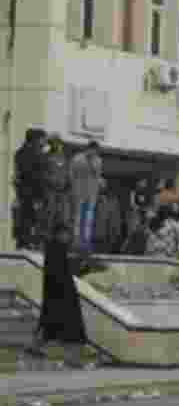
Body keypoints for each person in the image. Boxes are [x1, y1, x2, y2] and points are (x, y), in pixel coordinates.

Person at [31, 222, 88, 368]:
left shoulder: (54, 248)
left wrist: (82, 267)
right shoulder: (57, 249)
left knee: (50, 324)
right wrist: (83, 267)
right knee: (71, 329)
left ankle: (36, 347)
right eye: (66, 234)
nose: (67, 237)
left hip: (55, 294)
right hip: (62, 295)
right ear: (59, 234)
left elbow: (64, 271)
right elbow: (63, 272)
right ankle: (72, 359)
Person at [13, 129, 48, 250]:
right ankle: (26, 242)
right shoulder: (31, 153)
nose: (45, 141)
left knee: (29, 219)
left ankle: (26, 242)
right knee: (29, 218)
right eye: (43, 138)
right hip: (31, 192)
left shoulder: (22, 152)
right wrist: (39, 195)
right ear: (35, 139)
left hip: (27, 191)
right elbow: (33, 175)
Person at [69, 141, 103, 253]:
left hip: (92, 194)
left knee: (88, 219)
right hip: (79, 192)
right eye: (93, 150)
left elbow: (97, 175)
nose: (94, 153)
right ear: (88, 148)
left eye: (96, 151)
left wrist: (92, 162)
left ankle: (86, 241)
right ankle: (76, 241)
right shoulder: (77, 158)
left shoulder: (98, 160)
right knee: (78, 218)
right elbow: (71, 174)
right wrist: (73, 188)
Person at [93, 178, 123, 254]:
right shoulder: (90, 199)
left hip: (106, 237)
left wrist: (115, 234)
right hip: (92, 236)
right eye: (98, 185)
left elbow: (115, 219)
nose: (100, 187)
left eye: (101, 185)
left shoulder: (112, 200)